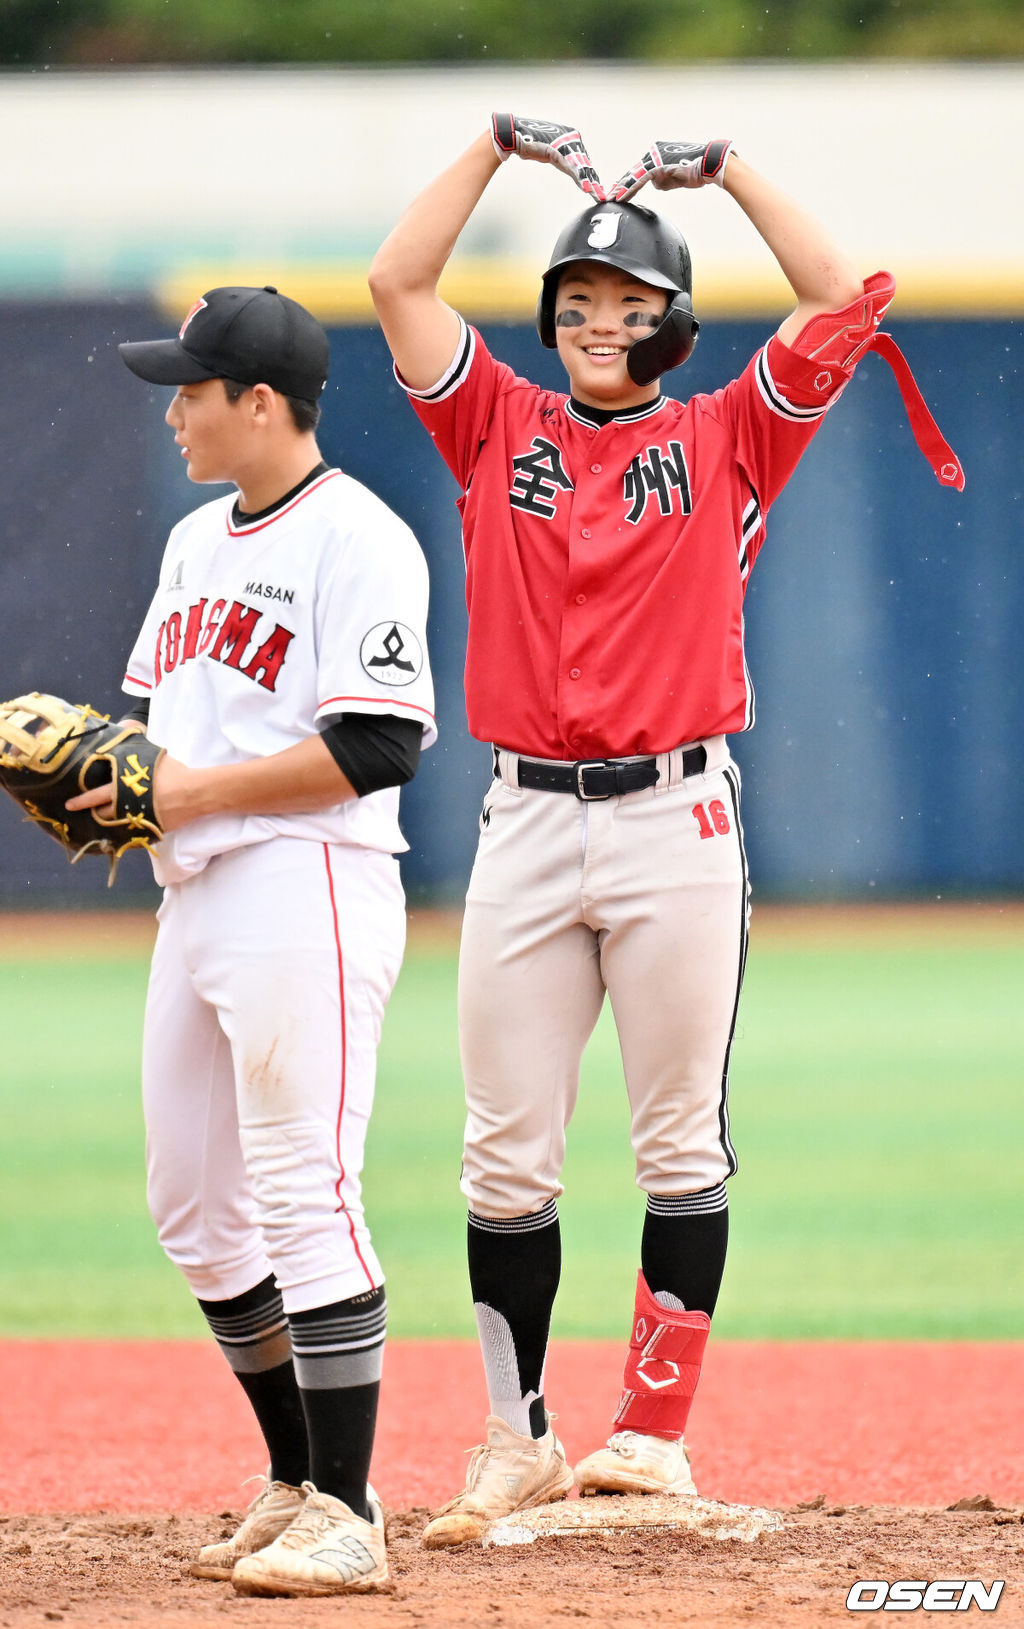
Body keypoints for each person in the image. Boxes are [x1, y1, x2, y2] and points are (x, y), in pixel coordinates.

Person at [368, 116, 962, 1547]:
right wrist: (492, 150)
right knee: (505, 1154)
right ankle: (513, 1439)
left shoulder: (730, 436)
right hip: (523, 816)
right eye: (577, 301)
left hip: (676, 818)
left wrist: (732, 168)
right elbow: (399, 283)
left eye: (627, 305)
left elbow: (838, 295)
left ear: (671, 324)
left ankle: (650, 1437)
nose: (595, 322)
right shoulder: (494, 419)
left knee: (677, 1141)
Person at [67, 284, 435, 1594]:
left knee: (303, 1193)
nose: (174, 412)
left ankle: (352, 1509)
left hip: (308, 884)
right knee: (196, 1210)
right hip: (200, 894)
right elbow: (160, 741)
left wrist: (189, 792)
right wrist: (111, 784)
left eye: (193, 389)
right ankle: (298, 1479)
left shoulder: (362, 539)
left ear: (260, 402)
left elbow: (378, 741)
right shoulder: (190, 545)